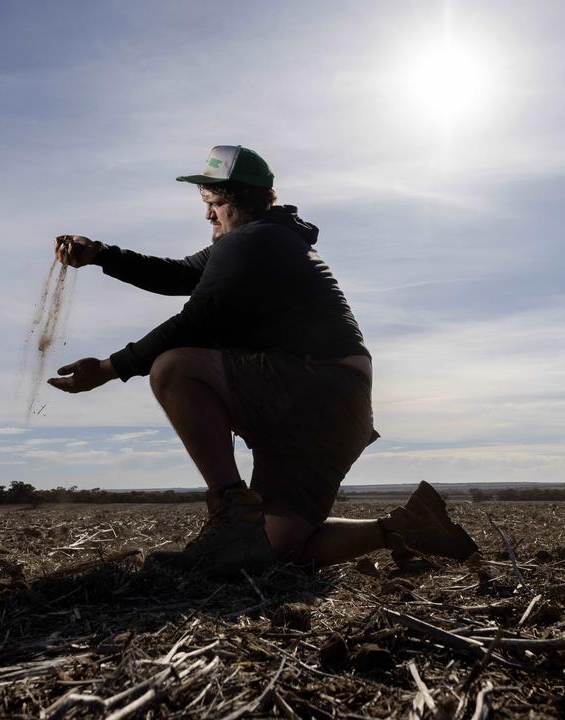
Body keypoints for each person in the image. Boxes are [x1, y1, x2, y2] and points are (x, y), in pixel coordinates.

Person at [48, 145, 477, 576]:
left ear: (237, 201)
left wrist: (106, 370)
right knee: (275, 550)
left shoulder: (255, 241)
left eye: (213, 204)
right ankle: (405, 528)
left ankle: (231, 507)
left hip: (314, 390)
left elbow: (194, 321)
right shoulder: (262, 240)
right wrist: (100, 253)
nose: (207, 216)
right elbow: (175, 274)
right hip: (337, 409)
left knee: (173, 367)